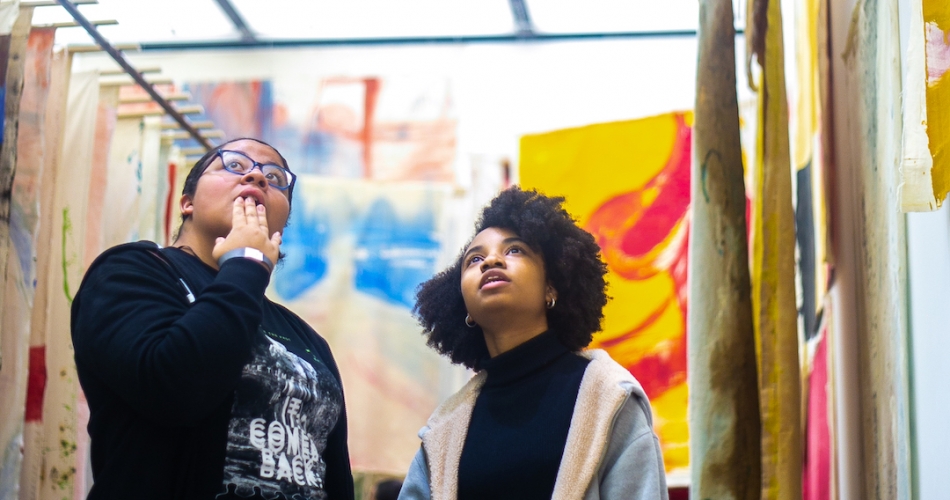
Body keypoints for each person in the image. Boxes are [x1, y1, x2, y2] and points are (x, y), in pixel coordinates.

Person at [71, 138, 354, 500]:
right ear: (187, 202)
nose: (256, 176)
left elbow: (335, 477)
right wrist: (245, 263)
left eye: (275, 176)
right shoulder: (132, 271)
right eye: (234, 165)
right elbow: (175, 389)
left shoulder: (307, 339)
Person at [399, 186, 668, 500]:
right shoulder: (443, 430)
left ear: (551, 286)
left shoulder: (610, 397)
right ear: (464, 308)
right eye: (474, 259)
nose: (491, 261)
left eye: (514, 250)